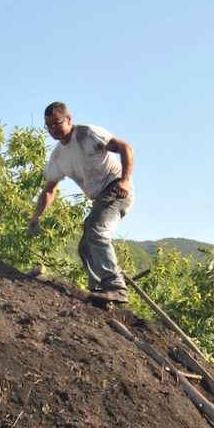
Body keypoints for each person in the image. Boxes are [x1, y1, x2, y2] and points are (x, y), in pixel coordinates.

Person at [29, 101, 135, 302]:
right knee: (85, 246)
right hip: (99, 199)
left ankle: (115, 287)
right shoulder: (58, 156)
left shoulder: (88, 134)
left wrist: (125, 180)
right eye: (48, 126)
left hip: (116, 189)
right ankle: (101, 293)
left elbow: (126, 148)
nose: (53, 130)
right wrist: (37, 216)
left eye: (57, 124)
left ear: (69, 119)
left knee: (96, 230)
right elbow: (50, 189)